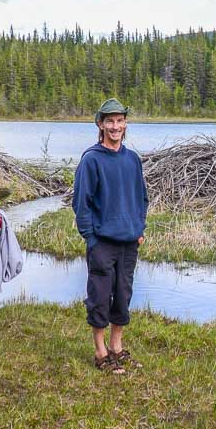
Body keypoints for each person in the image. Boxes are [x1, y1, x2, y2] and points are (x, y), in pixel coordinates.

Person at [72, 98, 149, 374]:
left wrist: (140, 230)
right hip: (102, 243)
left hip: (129, 243)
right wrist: (91, 239)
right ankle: (100, 352)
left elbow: (142, 198)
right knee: (100, 296)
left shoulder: (132, 159)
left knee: (123, 294)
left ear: (125, 124)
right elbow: (81, 204)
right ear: (100, 125)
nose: (115, 126)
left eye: (120, 121)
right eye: (110, 121)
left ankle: (117, 347)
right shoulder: (91, 159)